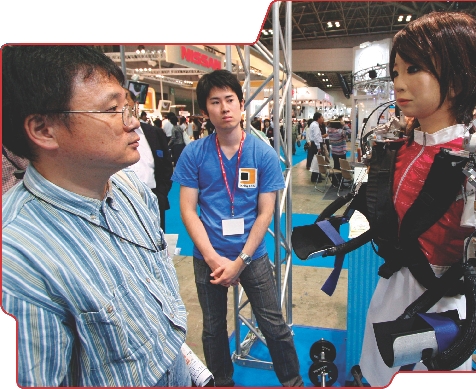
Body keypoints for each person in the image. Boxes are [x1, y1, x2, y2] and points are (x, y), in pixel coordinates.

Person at [2, 45, 190, 387]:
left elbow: (157, 298)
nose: (133, 121)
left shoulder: (129, 188)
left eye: (128, 106)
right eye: (112, 109)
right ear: (44, 129)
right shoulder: (17, 260)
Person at [358, 12, 476, 386]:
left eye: (413, 68)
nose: (398, 83)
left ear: (458, 74)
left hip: (443, 309)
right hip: (390, 293)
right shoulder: (396, 149)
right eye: (396, 71)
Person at [171, 69, 304, 387]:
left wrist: (241, 261)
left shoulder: (263, 153)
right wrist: (215, 259)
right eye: (215, 102)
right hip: (209, 256)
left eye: (230, 100)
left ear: (242, 104)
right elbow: (188, 210)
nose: (224, 108)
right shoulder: (195, 153)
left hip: (252, 255)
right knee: (213, 327)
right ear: (206, 111)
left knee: (273, 324)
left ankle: (292, 380)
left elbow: (265, 213)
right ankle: (223, 382)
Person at [128, 92, 173, 231]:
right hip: (124, 198)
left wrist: (161, 193)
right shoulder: (111, 136)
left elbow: (166, 166)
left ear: (136, 106)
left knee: (157, 239)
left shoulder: (154, 133)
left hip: (154, 196)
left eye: (128, 107)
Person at [306, 112, 325, 182]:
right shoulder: (315, 125)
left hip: (315, 144)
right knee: (316, 161)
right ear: (318, 118)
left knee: (318, 160)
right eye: (321, 117)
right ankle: (314, 177)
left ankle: (318, 175)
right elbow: (317, 137)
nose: (322, 119)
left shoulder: (313, 124)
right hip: (316, 144)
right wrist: (319, 147)